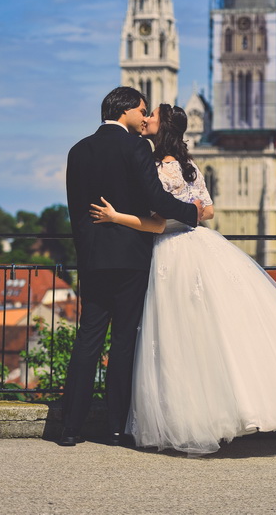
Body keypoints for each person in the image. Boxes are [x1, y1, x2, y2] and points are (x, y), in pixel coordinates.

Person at [90, 103, 276, 455]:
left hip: (169, 252)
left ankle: (190, 418)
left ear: (162, 127)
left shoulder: (155, 168)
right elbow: (210, 210)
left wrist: (115, 217)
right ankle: (233, 409)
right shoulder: (188, 165)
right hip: (201, 245)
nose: (146, 117)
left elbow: (157, 224)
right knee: (215, 331)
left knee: (177, 338)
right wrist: (192, 212)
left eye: (152, 115)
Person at [60, 88, 203, 447]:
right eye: (141, 109)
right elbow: (155, 199)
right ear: (124, 110)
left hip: (93, 259)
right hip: (130, 259)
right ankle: (114, 428)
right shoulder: (135, 147)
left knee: (88, 341)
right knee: (123, 343)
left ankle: (70, 428)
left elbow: (75, 210)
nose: (144, 117)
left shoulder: (78, 150)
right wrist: (191, 213)